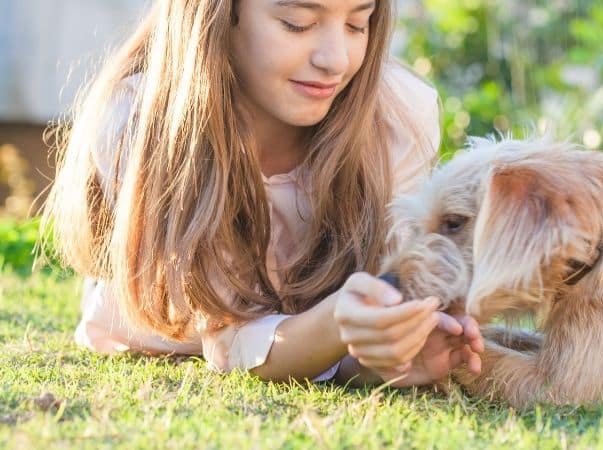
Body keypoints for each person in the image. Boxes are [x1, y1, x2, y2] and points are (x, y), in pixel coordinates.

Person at [40, 0, 483, 386]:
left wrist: (387, 350)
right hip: (170, 337)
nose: (335, 59)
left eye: (357, 24)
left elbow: (368, 321)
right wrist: (336, 327)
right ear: (220, 12)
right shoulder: (142, 125)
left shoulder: (397, 119)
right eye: (297, 23)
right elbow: (229, 339)